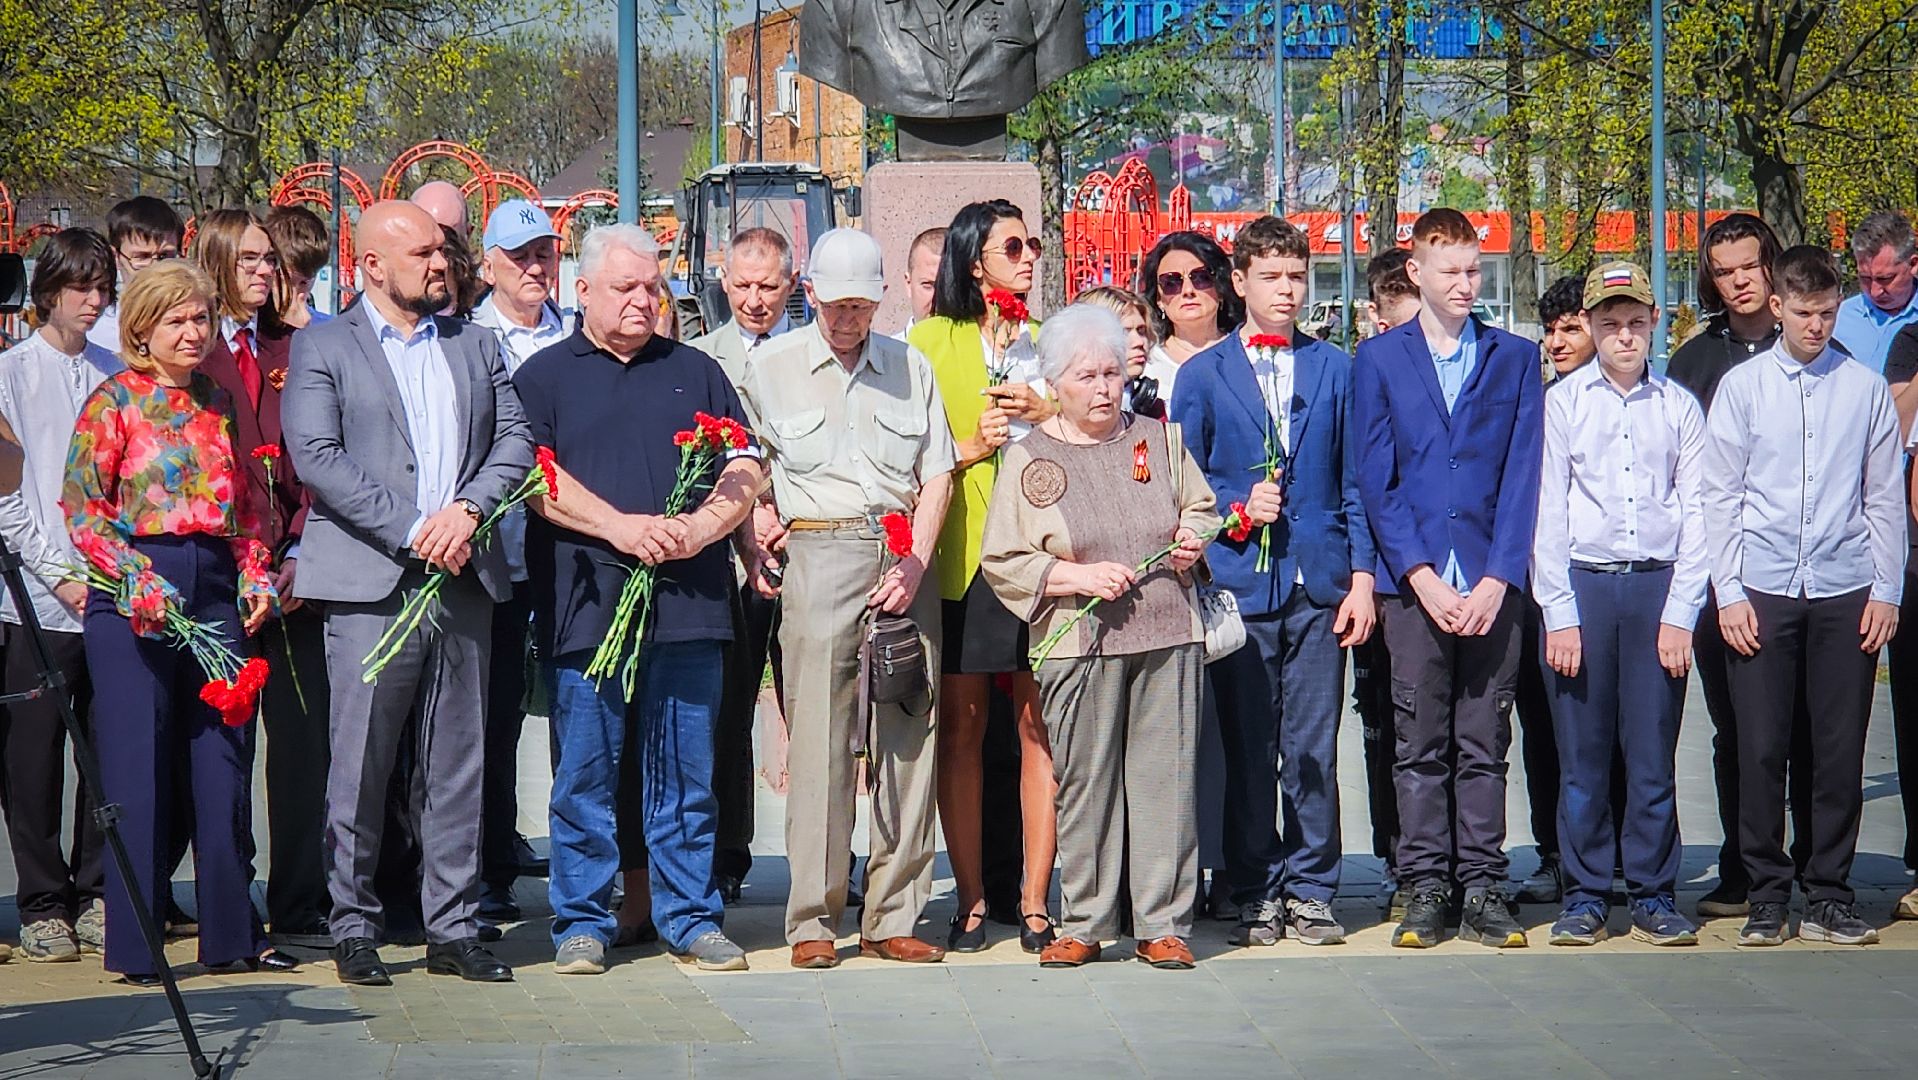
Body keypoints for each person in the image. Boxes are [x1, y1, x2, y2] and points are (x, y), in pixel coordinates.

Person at [282, 200, 533, 986]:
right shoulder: (323, 346)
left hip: (462, 576)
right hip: (370, 584)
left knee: (457, 758)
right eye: (421, 252)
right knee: (360, 760)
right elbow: (317, 456)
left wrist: (464, 512)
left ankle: (453, 926)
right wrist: (414, 526)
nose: (439, 263)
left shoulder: (477, 343)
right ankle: (353, 923)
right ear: (370, 267)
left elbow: (517, 441)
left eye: (443, 251)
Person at [515, 224, 760, 974]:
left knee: (687, 776)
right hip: (589, 607)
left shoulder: (696, 369)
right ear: (581, 290)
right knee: (586, 776)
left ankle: (690, 916)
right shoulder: (545, 376)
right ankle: (583, 921)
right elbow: (532, 477)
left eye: (652, 287)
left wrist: (701, 526)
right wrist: (619, 527)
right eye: (625, 288)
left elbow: (746, 466)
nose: (643, 300)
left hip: (689, 604)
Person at [64, 260, 295, 984]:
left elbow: (251, 507)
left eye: (202, 319)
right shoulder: (114, 402)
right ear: (141, 328)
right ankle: (134, 945)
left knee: (222, 766)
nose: (194, 333)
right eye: (177, 321)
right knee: (138, 767)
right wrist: (135, 578)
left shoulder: (220, 404)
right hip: (134, 595)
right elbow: (82, 506)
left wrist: (257, 571)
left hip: (214, 589)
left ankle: (230, 934)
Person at [737, 228, 956, 968]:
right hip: (818, 550)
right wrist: (756, 525)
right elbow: (744, 467)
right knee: (823, 741)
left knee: (908, 735)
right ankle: (813, 920)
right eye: (833, 305)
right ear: (810, 294)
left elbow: (938, 474)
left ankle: (894, 913)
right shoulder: (769, 367)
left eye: (860, 307)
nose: (846, 320)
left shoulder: (910, 366)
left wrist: (918, 562)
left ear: (880, 300)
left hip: (900, 560)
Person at [980, 303, 1219, 970]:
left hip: (1167, 632)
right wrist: (1073, 574)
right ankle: (1084, 919)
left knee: (1164, 781)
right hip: (1079, 644)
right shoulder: (1031, 460)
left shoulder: (1158, 439)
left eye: (1112, 372)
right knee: (1087, 784)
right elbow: (1004, 558)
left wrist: (1191, 535)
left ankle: (1163, 922)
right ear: (1055, 381)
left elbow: (1201, 508)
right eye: (1087, 376)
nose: (1105, 388)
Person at [1171, 215, 1375, 947]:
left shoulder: (1337, 369)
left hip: (1317, 586)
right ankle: (1254, 885)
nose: (1287, 291)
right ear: (1240, 283)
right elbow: (1180, 489)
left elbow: (1357, 484)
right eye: (1272, 278)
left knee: (1314, 748)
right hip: (1239, 588)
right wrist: (1234, 511)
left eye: (1297, 277)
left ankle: (1315, 887)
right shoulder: (1202, 376)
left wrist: (1360, 581)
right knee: (1251, 748)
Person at [1702, 245, 1905, 948]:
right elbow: (1719, 496)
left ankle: (1828, 892)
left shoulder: (1863, 388)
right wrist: (1727, 592)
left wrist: (1887, 587)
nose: (1817, 326)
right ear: (1779, 305)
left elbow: (1882, 494)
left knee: (1836, 747)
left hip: (1845, 586)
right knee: (1760, 745)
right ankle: (1766, 894)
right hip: (1762, 586)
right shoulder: (1745, 388)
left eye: (1827, 313)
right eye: (1805, 313)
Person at [1354, 208, 1541, 949]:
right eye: (1453, 271)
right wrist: (1421, 575)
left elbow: (1523, 476)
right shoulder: (1380, 359)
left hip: (1492, 582)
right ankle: (1427, 882)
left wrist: (1499, 576)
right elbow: (1377, 478)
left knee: (1483, 739)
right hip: (1417, 586)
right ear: (1417, 274)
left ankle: (1484, 883)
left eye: (1474, 269)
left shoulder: (1514, 358)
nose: (1467, 284)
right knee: (1419, 740)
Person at [1534, 262, 1707, 947]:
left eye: (1636, 322)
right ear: (1591, 326)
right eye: (1609, 323)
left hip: (1655, 586)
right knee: (1581, 754)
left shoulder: (1678, 407)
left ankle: (1654, 892)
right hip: (1585, 582)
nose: (1623, 335)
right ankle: (1584, 892)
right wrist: (1559, 611)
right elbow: (1547, 512)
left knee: (1651, 751)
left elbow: (1698, 515)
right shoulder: (1564, 404)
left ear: (1655, 323)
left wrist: (1681, 613)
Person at [910, 199, 1059, 953]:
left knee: (1039, 728)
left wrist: (1050, 405)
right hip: (962, 561)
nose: (1029, 256)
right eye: (1012, 246)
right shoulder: (928, 341)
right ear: (976, 263)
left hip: (1039, 559)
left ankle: (1033, 900)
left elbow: (1094, 423)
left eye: (1031, 244)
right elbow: (908, 453)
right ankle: (969, 899)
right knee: (963, 731)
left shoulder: (1048, 343)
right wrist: (966, 447)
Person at [1666, 212, 1813, 920]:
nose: (1738, 283)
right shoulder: (1694, 364)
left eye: (1749, 267)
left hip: (1806, 571)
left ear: (1771, 266)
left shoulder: (1815, 350)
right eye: (1723, 273)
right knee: (1738, 733)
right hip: (1720, 579)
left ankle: (1815, 864)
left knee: (1806, 729)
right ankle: (1742, 864)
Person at [193, 208, 329, 947]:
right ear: (215, 261)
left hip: (298, 576)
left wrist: (301, 554)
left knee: (306, 749)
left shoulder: (299, 347)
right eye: (248, 258)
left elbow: (319, 460)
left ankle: (302, 901)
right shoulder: (191, 350)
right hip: (219, 579)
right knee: (225, 748)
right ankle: (229, 903)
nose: (263, 271)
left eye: (269, 260)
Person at [0, 229, 120, 961]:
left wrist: (106, 574)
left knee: (107, 752)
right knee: (34, 757)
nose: (93, 300)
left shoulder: (114, 372)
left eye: (102, 287)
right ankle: (43, 901)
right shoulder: (11, 373)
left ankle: (101, 888)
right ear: (48, 291)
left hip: (108, 592)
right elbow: (10, 495)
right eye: (80, 287)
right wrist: (56, 571)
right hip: (35, 598)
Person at [688, 226, 801, 902]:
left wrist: (782, 514)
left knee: (816, 708)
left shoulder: (818, 351)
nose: (755, 299)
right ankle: (726, 851)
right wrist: (746, 518)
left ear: (792, 285)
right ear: (723, 282)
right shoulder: (700, 358)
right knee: (726, 707)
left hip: (803, 542)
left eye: (769, 286)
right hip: (728, 559)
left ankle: (825, 852)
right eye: (744, 285)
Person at [469, 198, 572, 928]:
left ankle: (576, 855)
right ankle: (492, 861)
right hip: (498, 554)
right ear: (490, 265)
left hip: (570, 553)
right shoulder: (469, 339)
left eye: (545, 254)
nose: (536, 267)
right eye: (521, 257)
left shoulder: (576, 335)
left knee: (576, 708)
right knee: (496, 711)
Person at [1509, 274, 1596, 907]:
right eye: (1551, 330)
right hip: (1540, 593)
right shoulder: (1539, 401)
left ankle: (1607, 848)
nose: (1557, 341)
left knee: (1606, 725)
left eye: (1571, 328)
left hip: (1605, 583)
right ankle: (1552, 851)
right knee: (1542, 725)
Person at [1352, 247, 1421, 916]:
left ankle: (1447, 860)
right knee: (1385, 728)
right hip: (1384, 583)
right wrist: (1363, 578)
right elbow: (1361, 485)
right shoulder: (1364, 374)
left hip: (1447, 579)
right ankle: (1399, 861)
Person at [1137, 231, 1240, 404]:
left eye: (1201, 278)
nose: (1188, 290)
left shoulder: (1247, 358)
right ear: (1159, 300)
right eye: (1171, 282)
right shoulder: (1145, 365)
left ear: (1221, 289)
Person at [89, 196, 185, 353]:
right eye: (142, 257)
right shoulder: (96, 332)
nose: (155, 269)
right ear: (116, 257)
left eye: (165, 256)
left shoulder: (195, 326)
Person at [1834, 210, 1918, 374]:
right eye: (1865, 278)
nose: (1874, 291)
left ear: (1913, 265)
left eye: (1885, 279)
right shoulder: (1838, 317)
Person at [1073, 285, 1162, 418]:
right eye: (1124, 332)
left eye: (1141, 331)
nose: (1139, 342)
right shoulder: (1071, 413)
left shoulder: (1157, 412)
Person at [264, 205, 333, 328]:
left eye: (304, 282)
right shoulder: (248, 329)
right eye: (288, 281)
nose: (297, 294)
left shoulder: (328, 328)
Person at [900, 226, 946, 337]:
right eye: (928, 285)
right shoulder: (883, 353)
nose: (938, 300)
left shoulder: (987, 352)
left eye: (949, 286)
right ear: (908, 284)